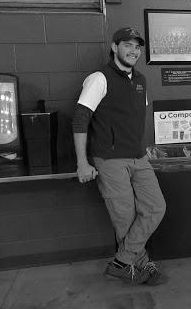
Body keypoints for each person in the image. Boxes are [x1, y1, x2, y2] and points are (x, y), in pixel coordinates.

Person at [72, 27, 167, 285]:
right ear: (115, 47)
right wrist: (82, 162)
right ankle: (139, 266)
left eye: (137, 46)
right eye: (127, 45)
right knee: (124, 217)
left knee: (156, 207)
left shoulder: (141, 80)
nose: (133, 51)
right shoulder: (99, 78)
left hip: (138, 157)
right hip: (110, 160)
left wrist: (143, 146)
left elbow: (135, 119)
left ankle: (121, 262)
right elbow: (80, 120)